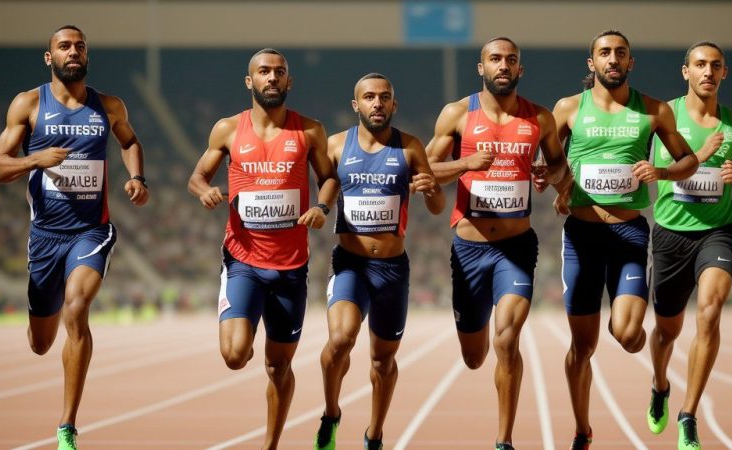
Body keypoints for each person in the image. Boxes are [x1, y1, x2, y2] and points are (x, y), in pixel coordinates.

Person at [0, 25, 149, 450]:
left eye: (79, 46)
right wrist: (35, 159)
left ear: (87, 54)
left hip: (91, 231)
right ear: (49, 57)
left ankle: (66, 427)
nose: (73, 51)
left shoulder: (109, 105)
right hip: (45, 236)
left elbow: (130, 141)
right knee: (41, 343)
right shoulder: (28, 104)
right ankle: (44, 319)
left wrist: (136, 177)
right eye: (64, 46)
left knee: (77, 309)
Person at [550, 30, 699, 449]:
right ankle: (582, 429)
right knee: (582, 348)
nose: (612, 59)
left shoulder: (653, 111)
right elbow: (548, 161)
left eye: (620, 53)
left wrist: (662, 173)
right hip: (581, 237)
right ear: (591, 62)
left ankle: (657, 379)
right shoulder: (567, 110)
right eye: (604, 53)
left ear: (630, 62)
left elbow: (688, 160)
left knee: (629, 334)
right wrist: (560, 188)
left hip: (628, 232)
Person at [188, 48, 337, 450]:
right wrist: (205, 191)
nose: (272, 78)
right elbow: (197, 177)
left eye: (279, 72)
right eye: (264, 72)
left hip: (291, 268)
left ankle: (270, 445)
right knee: (236, 355)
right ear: (249, 81)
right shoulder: (228, 130)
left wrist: (321, 207)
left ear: (289, 82)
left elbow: (329, 178)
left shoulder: (309, 131)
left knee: (278, 365)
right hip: (243, 262)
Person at [425, 37, 570, 450]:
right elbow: (425, 171)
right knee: (474, 356)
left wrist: (550, 176)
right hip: (468, 250)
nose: (503, 65)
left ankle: (504, 440)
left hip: (516, 247)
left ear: (520, 69)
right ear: (481, 67)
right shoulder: (457, 114)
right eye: (495, 59)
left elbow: (560, 165)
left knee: (507, 340)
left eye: (510, 60)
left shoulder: (538, 118)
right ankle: (474, 338)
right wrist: (465, 163)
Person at [313, 73, 445, 450]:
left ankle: (375, 434)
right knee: (339, 340)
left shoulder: (410, 148)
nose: (377, 103)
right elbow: (324, 186)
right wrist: (321, 208)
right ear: (357, 105)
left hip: (392, 269)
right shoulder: (336, 145)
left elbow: (437, 208)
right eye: (369, 97)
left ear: (394, 104)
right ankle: (331, 413)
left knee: (383, 361)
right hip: (350, 264)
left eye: (384, 97)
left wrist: (432, 188)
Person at [644, 42, 732, 450]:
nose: (707, 72)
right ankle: (660, 386)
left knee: (709, 313)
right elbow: (643, 168)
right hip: (670, 235)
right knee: (666, 330)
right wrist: (697, 155)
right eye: (699, 65)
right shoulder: (662, 116)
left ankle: (688, 414)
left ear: (724, 73)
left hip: (718, 231)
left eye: (715, 66)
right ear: (685, 71)